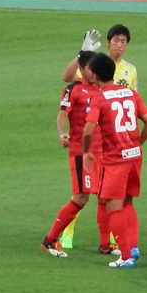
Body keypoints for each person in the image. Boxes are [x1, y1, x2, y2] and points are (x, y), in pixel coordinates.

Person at [40, 50, 117, 257]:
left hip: (103, 152)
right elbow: (62, 114)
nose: (93, 72)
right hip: (81, 152)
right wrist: (61, 133)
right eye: (90, 68)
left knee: (104, 196)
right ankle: (50, 240)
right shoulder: (73, 89)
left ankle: (105, 244)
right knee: (81, 197)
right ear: (82, 69)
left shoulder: (102, 88)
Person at [83, 53, 147, 268]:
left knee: (113, 206)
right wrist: (137, 144)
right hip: (134, 156)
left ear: (95, 75)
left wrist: (86, 151)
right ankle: (133, 247)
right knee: (128, 202)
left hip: (115, 159)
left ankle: (125, 256)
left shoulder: (99, 98)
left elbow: (88, 130)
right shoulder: (131, 93)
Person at [62, 25, 138, 90]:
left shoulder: (131, 69)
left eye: (123, 42)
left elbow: (133, 96)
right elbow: (67, 77)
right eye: (116, 40)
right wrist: (82, 53)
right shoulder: (95, 64)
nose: (119, 45)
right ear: (108, 42)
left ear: (127, 44)